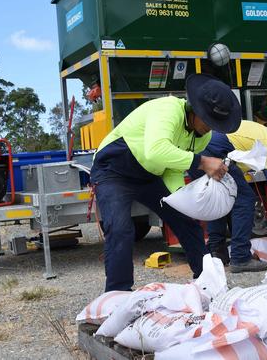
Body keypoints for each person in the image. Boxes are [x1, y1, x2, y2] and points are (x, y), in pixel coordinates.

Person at [90, 74, 241, 291]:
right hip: (113, 170)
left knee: (185, 220)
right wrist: (202, 161)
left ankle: (207, 282)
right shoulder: (168, 110)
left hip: (150, 173)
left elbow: (172, 166)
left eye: (215, 124)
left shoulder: (202, 137)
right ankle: (116, 295)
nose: (210, 128)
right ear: (194, 109)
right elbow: (155, 151)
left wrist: (182, 197)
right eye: (208, 121)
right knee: (121, 228)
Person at [191, 120, 267, 272]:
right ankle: (240, 257)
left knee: (219, 197)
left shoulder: (251, 132)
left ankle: (217, 253)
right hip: (215, 152)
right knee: (246, 199)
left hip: (197, 152)